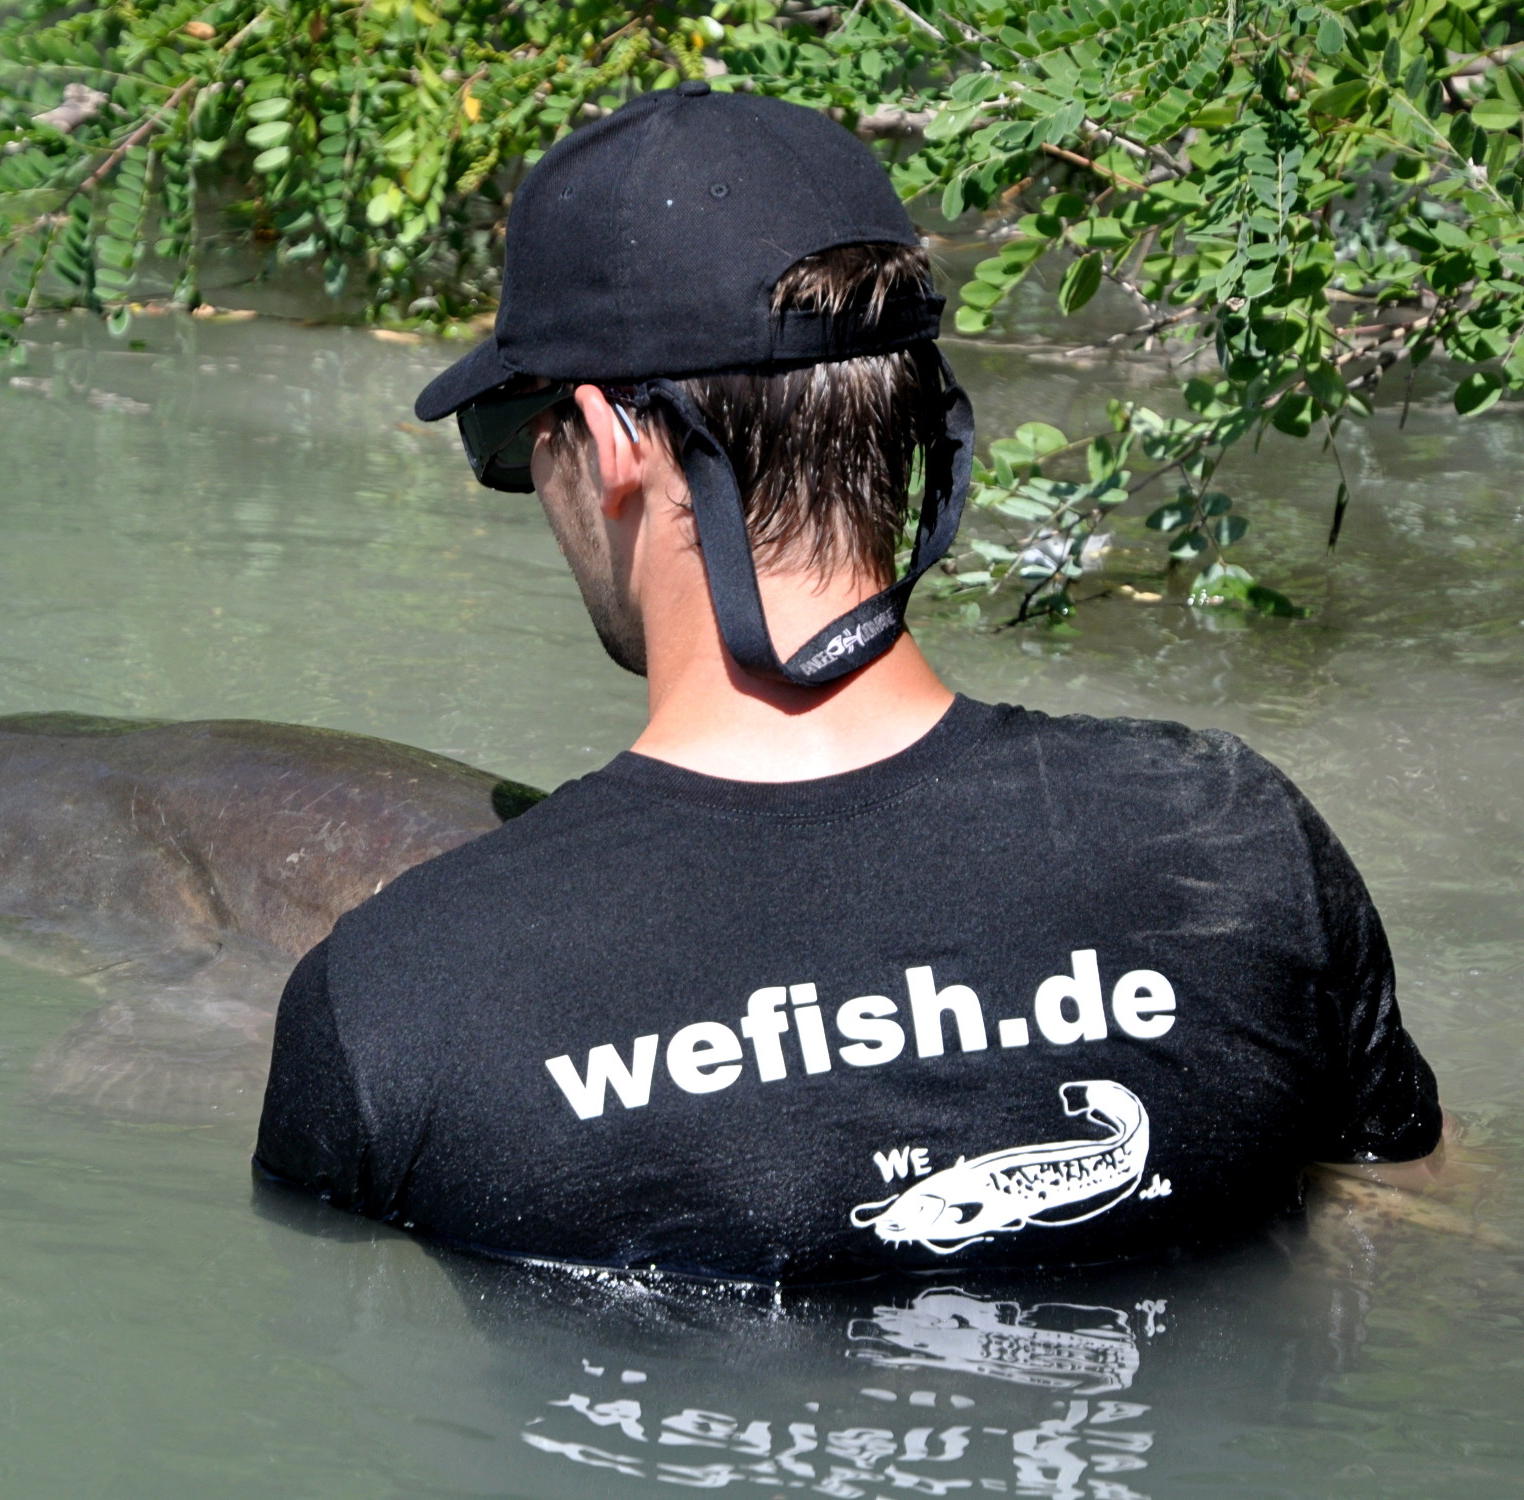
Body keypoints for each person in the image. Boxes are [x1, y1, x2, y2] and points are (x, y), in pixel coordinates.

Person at [253, 82, 1445, 1281]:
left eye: (518, 438)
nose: (529, 479)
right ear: (913, 419)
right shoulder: (1232, 838)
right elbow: (1411, 1228)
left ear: (612, 445)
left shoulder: (398, 1000)